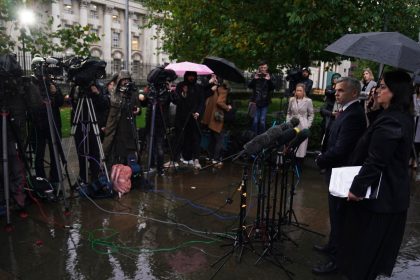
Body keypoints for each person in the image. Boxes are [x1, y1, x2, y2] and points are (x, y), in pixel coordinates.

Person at [337, 70, 414, 280]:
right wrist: (372, 112)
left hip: (381, 200)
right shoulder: (396, 117)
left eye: (382, 87)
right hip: (388, 198)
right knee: (366, 255)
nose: (376, 90)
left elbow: (377, 160)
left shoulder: (393, 121)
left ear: (395, 92)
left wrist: (356, 188)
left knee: (363, 255)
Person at [313, 77, 367, 274]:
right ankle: (332, 246)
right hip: (335, 170)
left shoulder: (354, 114)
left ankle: (337, 260)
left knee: (341, 217)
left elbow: (342, 148)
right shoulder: (345, 112)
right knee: (335, 214)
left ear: (354, 93)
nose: (336, 93)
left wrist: (322, 159)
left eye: (341, 90)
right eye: (336, 90)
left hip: (343, 172)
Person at [29, 57, 64, 185]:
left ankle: (55, 178)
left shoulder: (51, 82)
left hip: (53, 123)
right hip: (38, 125)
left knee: (56, 152)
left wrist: (55, 93)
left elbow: (60, 102)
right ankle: (41, 181)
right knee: (39, 154)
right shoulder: (31, 84)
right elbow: (33, 104)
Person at [70, 79, 110, 184]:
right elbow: (72, 104)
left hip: (94, 123)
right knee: (81, 152)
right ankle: (82, 177)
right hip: (80, 124)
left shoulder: (100, 86)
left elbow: (105, 104)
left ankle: (95, 178)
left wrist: (97, 93)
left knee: (94, 153)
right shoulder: (77, 86)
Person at [103, 70, 141, 166]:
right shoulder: (114, 93)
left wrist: (138, 110)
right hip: (117, 126)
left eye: (127, 79)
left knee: (130, 150)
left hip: (129, 126)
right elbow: (109, 110)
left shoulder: (133, 93)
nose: (125, 82)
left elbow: (138, 107)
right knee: (118, 150)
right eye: (123, 79)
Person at [173, 71, 204, 169]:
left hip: (194, 117)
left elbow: (201, 102)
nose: (191, 78)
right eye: (189, 76)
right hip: (182, 117)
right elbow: (177, 100)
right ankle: (177, 158)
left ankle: (194, 158)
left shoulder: (198, 87)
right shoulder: (180, 85)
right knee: (180, 137)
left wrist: (198, 113)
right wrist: (184, 93)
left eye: (193, 76)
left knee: (194, 137)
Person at [202, 80, 232, 165]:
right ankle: (216, 159)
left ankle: (210, 157)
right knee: (220, 138)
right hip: (217, 117)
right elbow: (220, 102)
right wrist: (227, 107)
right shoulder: (223, 90)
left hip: (210, 117)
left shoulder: (214, 89)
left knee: (212, 138)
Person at [286, 83, 314, 172]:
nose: (298, 92)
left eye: (300, 90)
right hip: (293, 124)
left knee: (301, 145)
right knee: (292, 143)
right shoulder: (291, 100)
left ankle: (299, 166)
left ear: (304, 91)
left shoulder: (308, 101)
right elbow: (288, 112)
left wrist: (308, 125)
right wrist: (288, 122)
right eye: (297, 90)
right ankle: (291, 164)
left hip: (303, 124)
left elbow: (311, 114)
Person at [248, 61, 275, 135]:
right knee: (255, 120)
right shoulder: (255, 75)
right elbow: (249, 86)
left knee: (262, 121)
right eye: (262, 67)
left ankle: (262, 138)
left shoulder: (270, 76)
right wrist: (254, 79)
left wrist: (269, 80)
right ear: (259, 68)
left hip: (265, 101)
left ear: (267, 68)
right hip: (255, 101)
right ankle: (253, 137)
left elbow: (272, 88)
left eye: (265, 67)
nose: (263, 69)